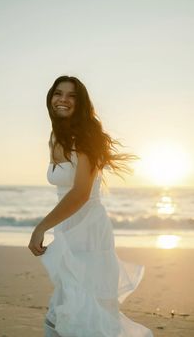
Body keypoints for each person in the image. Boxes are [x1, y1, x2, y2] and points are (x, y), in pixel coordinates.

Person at [28, 75, 153, 337]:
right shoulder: (55, 137)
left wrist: (41, 227)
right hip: (68, 230)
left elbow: (81, 193)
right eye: (58, 93)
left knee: (85, 312)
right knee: (69, 310)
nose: (63, 99)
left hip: (89, 231)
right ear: (50, 98)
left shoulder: (84, 138)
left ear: (81, 103)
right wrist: (54, 228)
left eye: (71, 95)